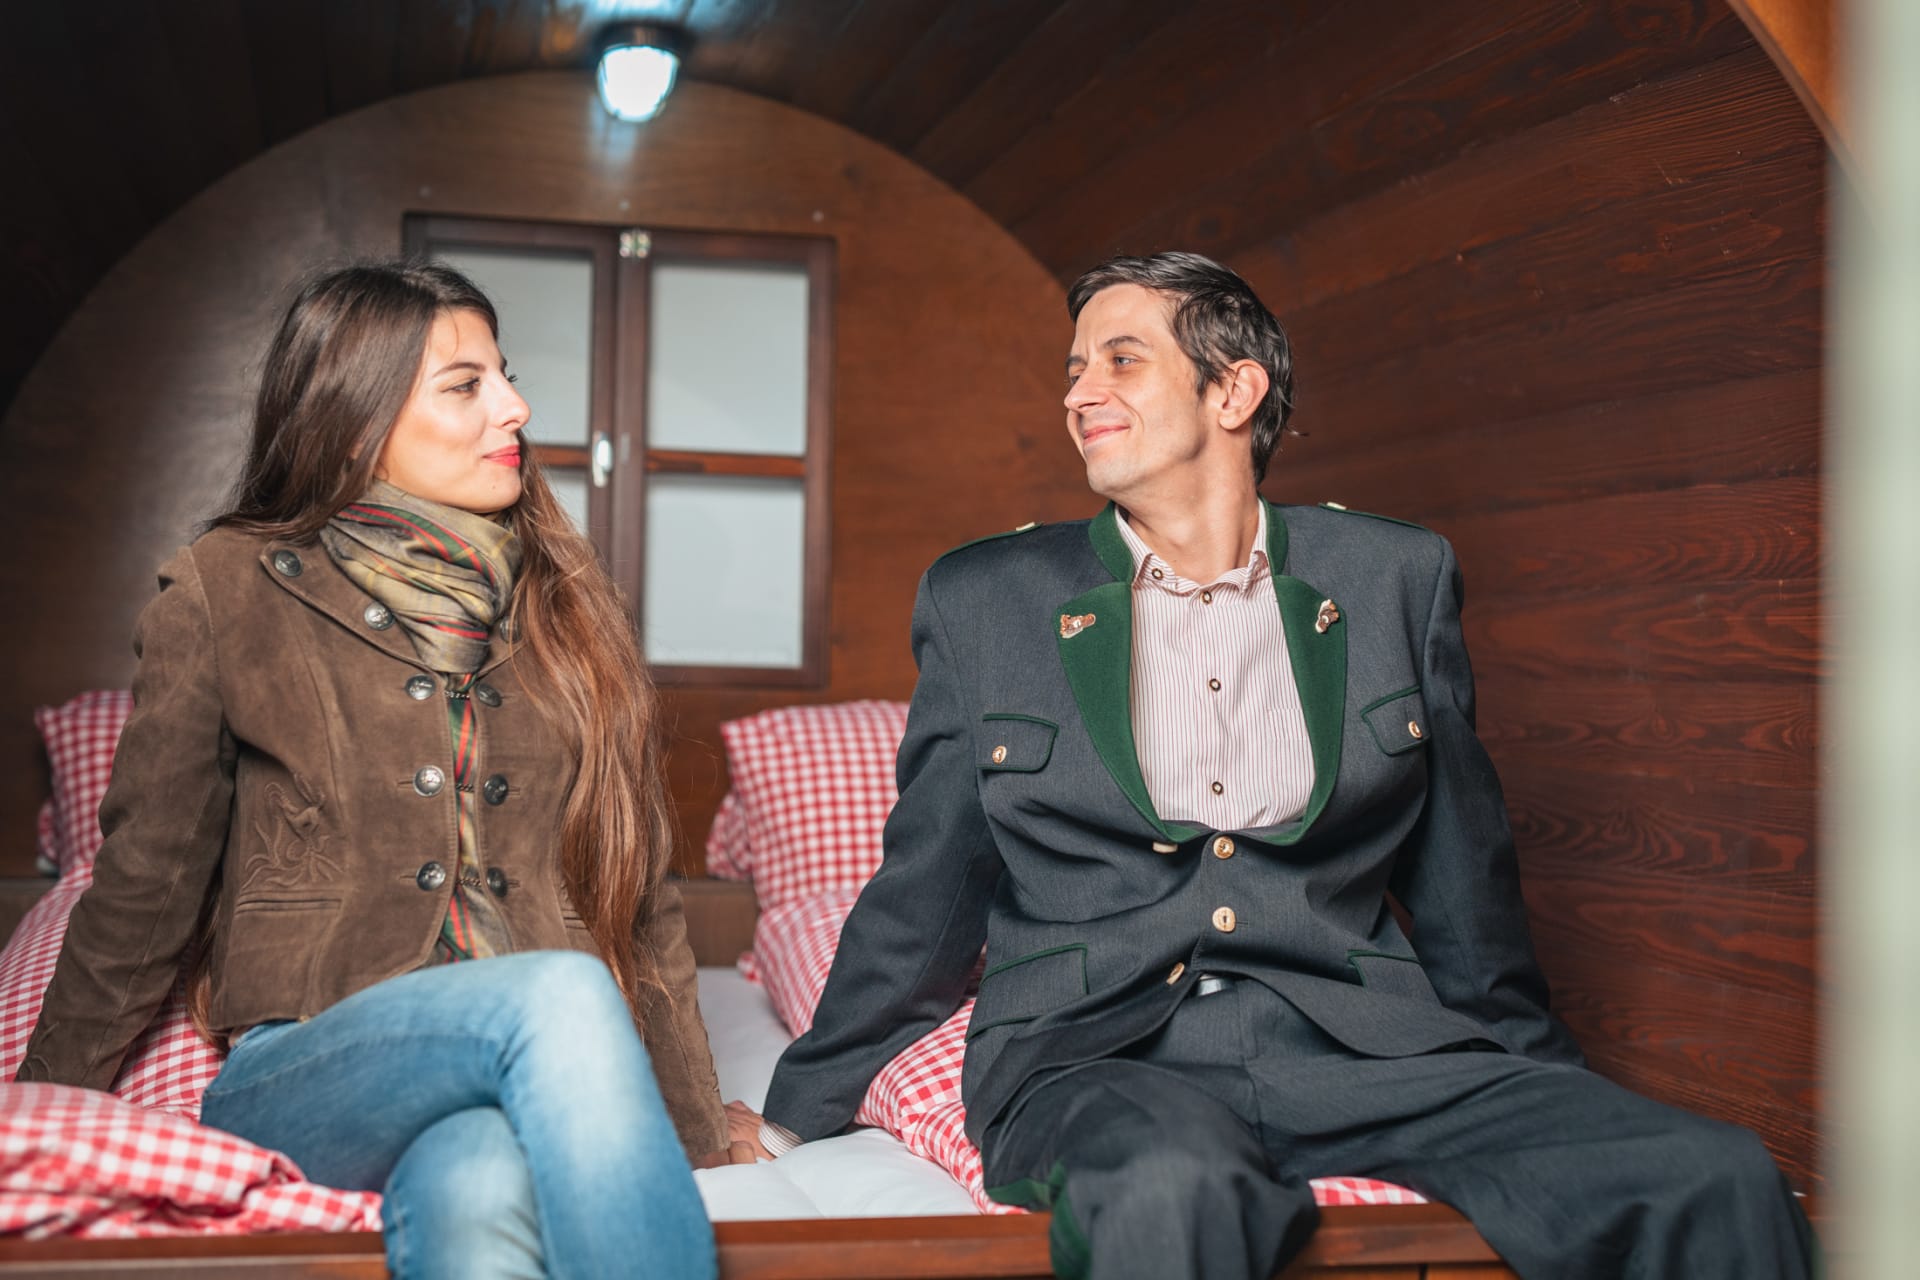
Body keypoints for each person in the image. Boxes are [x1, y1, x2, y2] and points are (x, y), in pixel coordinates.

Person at [739, 252, 1815, 1279]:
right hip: (1098, 1059)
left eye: (1120, 359)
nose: (1078, 393)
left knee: (1710, 1174)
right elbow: (927, 891)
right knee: (1172, 1192)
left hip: (1363, 1048)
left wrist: (1538, 1080)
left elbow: (1463, 879)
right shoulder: (987, 598)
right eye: (1073, 368)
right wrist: (795, 1112)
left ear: (1234, 390)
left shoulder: (1395, 575)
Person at [15, 260, 752, 1280]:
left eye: (506, 375)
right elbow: (146, 884)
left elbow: (642, 903)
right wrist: (37, 1102)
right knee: (560, 994)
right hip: (309, 1063)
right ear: (358, 424)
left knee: (476, 1181)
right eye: (466, 384)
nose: (516, 407)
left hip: (525, 1060)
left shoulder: (575, 607)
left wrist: (700, 1139)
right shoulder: (227, 591)